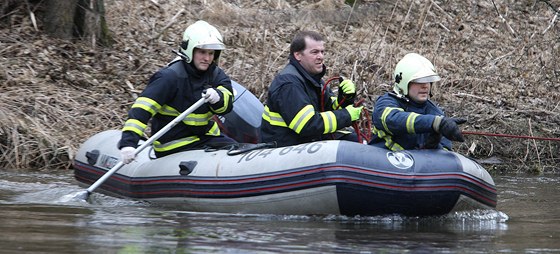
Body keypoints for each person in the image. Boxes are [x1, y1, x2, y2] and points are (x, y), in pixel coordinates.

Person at [118, 20, 236, 163]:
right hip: (174, 144)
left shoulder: (216, 74)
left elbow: (227, 105)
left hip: (206, 138)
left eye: (211, 53)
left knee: (236, 151)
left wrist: (219, 98)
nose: (207, 58)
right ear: (190, 50)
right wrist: (128, 143)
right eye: (202, 52)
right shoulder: (169, 77)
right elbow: (142, 110)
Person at [260, 30, 363, 147]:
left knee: (357, 141)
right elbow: (307, 125)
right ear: (298, 55)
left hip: (306, 142)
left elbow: (327, 107)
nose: (321, 57)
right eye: (314, 52)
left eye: (322, 52)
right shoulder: (289, 85)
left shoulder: (312, 79)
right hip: (285, 147)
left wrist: (345, 98)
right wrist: (346, 116)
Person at [369, 53, 466, 151]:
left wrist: (433, 146)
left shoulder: (436, 113)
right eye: (419, 81)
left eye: (428, 81)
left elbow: (445, 153)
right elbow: (393, 120)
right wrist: (433, 123)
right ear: (404, 83)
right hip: (381, 161)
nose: (425, 86)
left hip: (417, 165)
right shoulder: (386, 103)